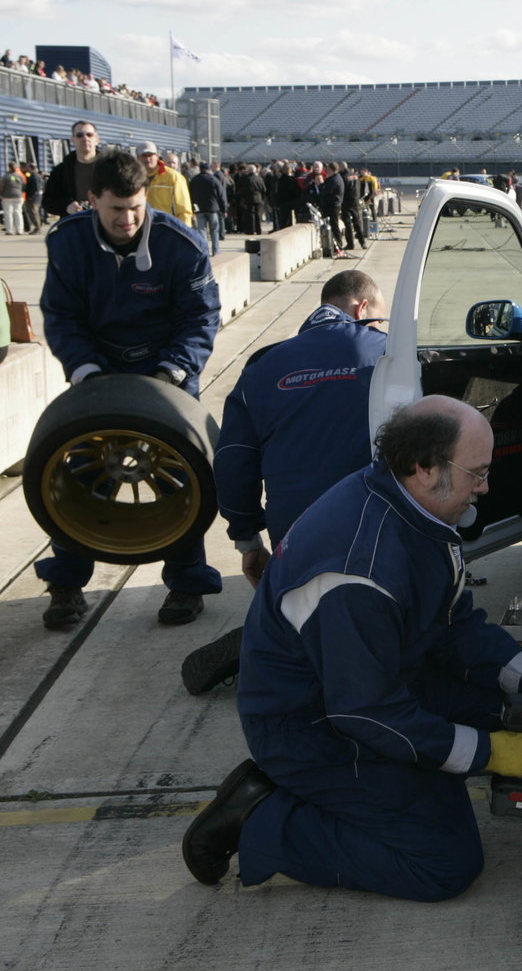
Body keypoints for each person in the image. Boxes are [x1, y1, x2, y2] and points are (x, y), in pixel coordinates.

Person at [181, 396, 522, 902]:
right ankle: (261, 818)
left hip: (372, 679)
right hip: (312, 728)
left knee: (516, 710)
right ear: (426, 468)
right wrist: (490, 753)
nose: (485, 487)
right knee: (445, 862)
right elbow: (367, 714)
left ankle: (405, 778)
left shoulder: (404, 505)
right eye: (478, 473)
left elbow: (452, 622)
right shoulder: (358, 571)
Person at [36, 152, 222, 630]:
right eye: (116, 208)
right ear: (93, 200)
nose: (127, 219)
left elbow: (200, 317)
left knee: (183, 477)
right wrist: (84, 371)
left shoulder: (182, 245)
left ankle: (186, 582)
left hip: (166, 369)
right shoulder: (68, 242)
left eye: (135, 207)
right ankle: (66, 584)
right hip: (97, 367)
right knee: (71, 474)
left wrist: (171, 372)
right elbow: (61, 316)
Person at [181, 270, 390, 696]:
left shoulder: (264, 365)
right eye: (378, 319)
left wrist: (246, 540)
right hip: (377, 522)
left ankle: (277, 634)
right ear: (362, 308)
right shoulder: (391, 355)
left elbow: (234, 461)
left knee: (306, 600)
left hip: (294, 533)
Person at [41, 120, 100, 220]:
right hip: (73, 225)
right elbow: (47, 202)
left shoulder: (111, 167)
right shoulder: (60, 171)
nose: (85, 138)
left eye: (89, 135)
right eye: (79, 135)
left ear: (97, 139)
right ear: (73, 140)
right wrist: (67, 206)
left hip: (106, 226)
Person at [137, 142, 195, 228]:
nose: (147, 158)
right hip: (143, 229)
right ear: (138, 158)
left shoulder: (173, 177)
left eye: (150, 155)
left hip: (168, 228)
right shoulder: (134, 178)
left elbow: (183, 210)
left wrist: (184, 231)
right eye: (144, 155)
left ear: (157, 156)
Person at [188, 161, 227, 256]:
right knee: (214, 230)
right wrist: (224, 209)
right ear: (209, 169)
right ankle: (215, 251)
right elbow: (221, 196)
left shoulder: (194, 180)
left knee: (202, 231)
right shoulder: (214, 180)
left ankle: (204, 251)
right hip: (213, 209)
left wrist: (193, 209)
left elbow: (190, 195)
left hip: (199, 209)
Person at [1, 162, 23, 235]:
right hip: (18, 196)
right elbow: (23, 185)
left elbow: (1, 186)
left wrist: (1, 194)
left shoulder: (6, 176)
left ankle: (9, 230)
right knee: (18, 212)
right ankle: (19, 230)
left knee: (8, 213)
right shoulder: (19, 176)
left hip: (7, 196)